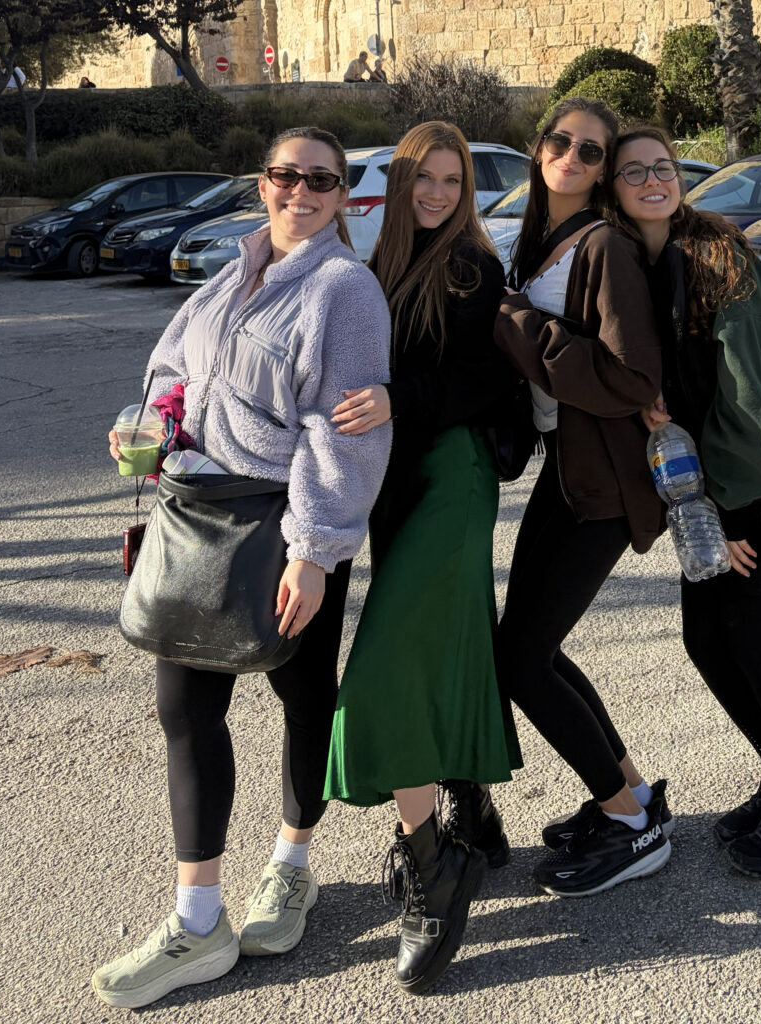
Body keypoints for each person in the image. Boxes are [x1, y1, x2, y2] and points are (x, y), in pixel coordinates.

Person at [92, 126, 391, 1008]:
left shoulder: (345, 290)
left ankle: (292, 866)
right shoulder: (230, 274)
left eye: (321, 180)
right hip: (195, 513)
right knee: (186, 712)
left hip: (281, 526)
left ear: (343, 195)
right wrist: (149, 423)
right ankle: (198, 920)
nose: (301, 192)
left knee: (303, 698)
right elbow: (171, 368)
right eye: (286, 175)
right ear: (263, 184)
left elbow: (342, 433)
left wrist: (315, 552)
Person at [609, 125, 761, 878]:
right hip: (714, 491)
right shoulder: (634, 262)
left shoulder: (719, 256)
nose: (653, 180)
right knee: (706, 640)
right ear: (612, 188)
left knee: (749, 637)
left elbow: (755, 404)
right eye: (633, 172)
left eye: (663, 167)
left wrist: (730, 514)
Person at [325, 121, 519, 994]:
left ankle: (435, 866)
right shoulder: (379, 266)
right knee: (456, 641)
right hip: (397, 487)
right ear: (397, 184)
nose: (438, 193)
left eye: (452, 179)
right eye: (423, 179)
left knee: (386, 665)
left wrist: (396, 397)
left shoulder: (472, 266)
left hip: (453, 476)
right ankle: (473, 807)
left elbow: (483, 378)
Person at [492, 97, 674, 899]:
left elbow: (634, 377)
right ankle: (631, 795)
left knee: (520, 660)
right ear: (540, 150)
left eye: (592, 151)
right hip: (569, 471)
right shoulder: (542, 239)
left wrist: (522, 327)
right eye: (561, 141)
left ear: (602, 173)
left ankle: (631, 827)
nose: (572, 156)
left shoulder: (604, 245)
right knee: (533, 646)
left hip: (602, 486)